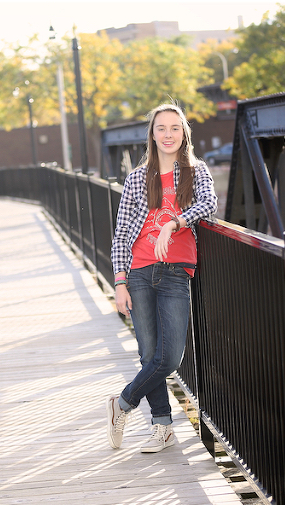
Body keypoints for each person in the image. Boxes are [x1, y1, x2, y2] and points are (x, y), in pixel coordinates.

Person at [107, 102, 217, 453]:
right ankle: (163, 426)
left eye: (174, 128)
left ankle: (122, 403)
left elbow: (209, 203)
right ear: (152, 135)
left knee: (169, 359)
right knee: (149, 354)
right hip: (139, 272)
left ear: (184, 133)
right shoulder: (137, 178)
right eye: (161, 128)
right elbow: (121, 234)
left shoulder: (196, 172)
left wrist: (174, 223)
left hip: (175, 272)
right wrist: (120, 282)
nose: (168, 134)